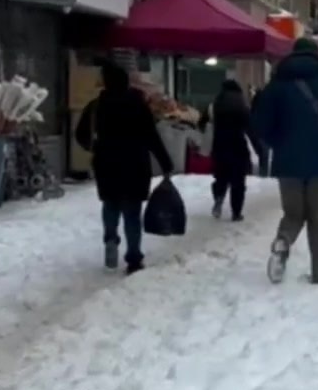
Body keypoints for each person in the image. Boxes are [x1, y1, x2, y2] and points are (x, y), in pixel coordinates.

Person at [253, 36, 318, 286]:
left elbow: (259, 123)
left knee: (293, 213)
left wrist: (278, 142)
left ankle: (283, 241)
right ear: (315, 55)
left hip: (287, 162)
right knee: (317, 219)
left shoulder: (276, 85)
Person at [74, 62, 175, 274]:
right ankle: (134, 258)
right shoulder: (138, 105)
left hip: (106, 163)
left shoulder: (96, 106)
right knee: (132, 212)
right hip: (135, 164)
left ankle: (111, 238)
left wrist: (94, 147)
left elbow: (80, 134)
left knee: (110, 204)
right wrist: (166, 163)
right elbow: (151, 136)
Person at [199, 79, 256, 221]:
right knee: (238, 182)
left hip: (220, 146)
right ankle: (236, 213)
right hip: (238, 147)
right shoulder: (242, 106)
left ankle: (218, 197)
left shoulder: (214, 105)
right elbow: (250, 129)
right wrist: (258, 148)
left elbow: (201, 123)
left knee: (221, 177)